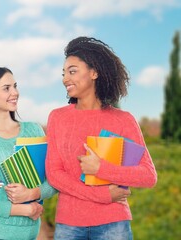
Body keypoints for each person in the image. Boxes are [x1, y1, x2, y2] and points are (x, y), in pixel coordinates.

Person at [45, 36, 157, 240]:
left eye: (72, 71)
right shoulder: (57, 118)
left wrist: (101, 169)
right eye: (64, 73)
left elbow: (148, 175)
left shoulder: (123, 120)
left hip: (113, 224)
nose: (65, 79)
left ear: (94, 72)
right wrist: (101, 195)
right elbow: (54, 173)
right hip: (69, 224)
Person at [0, 66, 57, 240]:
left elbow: (54, 181)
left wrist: (33, 194)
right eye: (6, 88)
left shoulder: (34, 130)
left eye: (15, 86)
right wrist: (23, 209)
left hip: (31, 234)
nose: (15, 92)